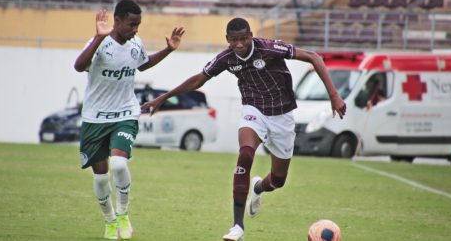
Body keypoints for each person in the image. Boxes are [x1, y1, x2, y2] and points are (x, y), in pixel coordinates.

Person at [141, 17, 346, 241]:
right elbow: (198, 80)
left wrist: (334, 96)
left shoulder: (269, 48)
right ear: (227, 40)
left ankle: (258, 188)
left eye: (243, 39)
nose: (239, 45)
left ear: (250, 36)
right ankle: (237, 226)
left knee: (278, 180)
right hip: (253, 110)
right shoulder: (226, 59)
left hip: (282, 115)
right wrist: (162, 98)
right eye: (234, 40)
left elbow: (313, 57)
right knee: (245, 154)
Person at [74, 0, 184, 240]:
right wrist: (98, 38)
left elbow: (142, 65)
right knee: (101, 179)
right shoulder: (100, 44)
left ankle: (123, 214)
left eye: (138, 25)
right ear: (118, 20)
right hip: (95, 118)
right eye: (132, 24)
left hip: (126, 113)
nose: (135, 29)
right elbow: (79, 65)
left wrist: (168, 49)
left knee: (119, 165)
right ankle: (110, 221)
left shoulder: (135, 43)